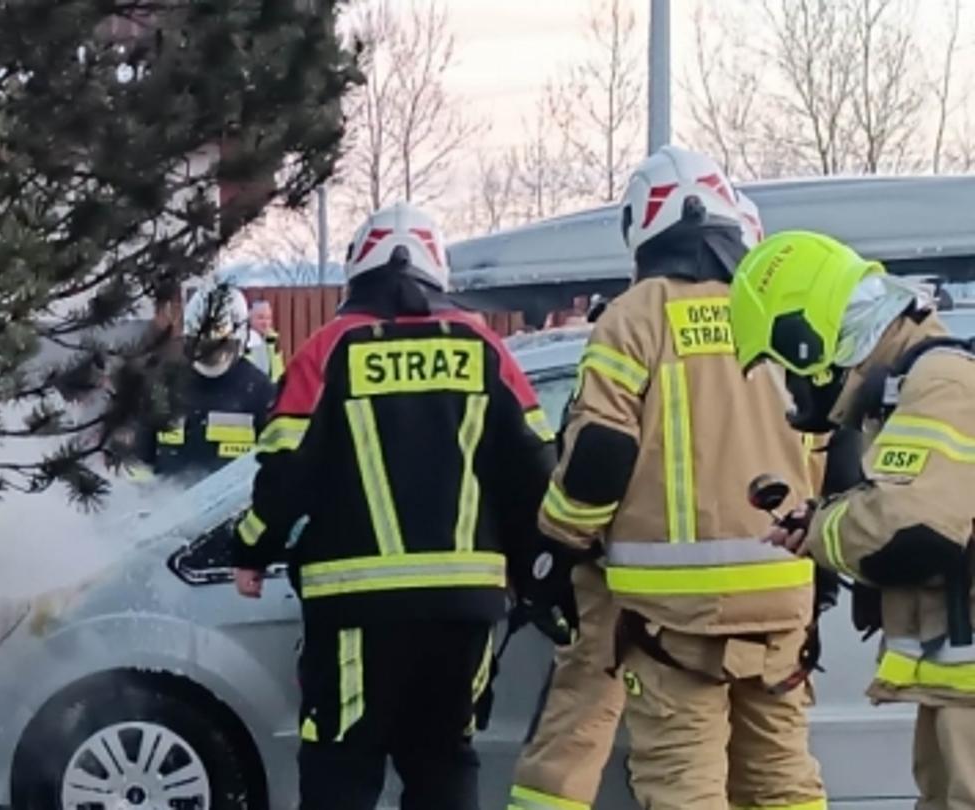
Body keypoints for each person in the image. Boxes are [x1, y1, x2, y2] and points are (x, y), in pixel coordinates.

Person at [233, 202, 556, 810]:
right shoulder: (485, 349)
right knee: (444, 761)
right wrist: (536, 570)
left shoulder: (328, 350)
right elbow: (535, 469)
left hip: (356, 610)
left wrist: (250, 549)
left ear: (357, 270)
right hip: (465, 609)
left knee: (341, 766)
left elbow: (284, 473)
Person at [531, 145, 824, 810]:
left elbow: (600, 454)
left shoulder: (634, 317)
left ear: (642, 227)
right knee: (782, 778)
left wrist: (559, 543)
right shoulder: (779, 310)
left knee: (683, 783)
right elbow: (828, 442)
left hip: (675, 613)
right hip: (782, 594)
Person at [733, 230, 975, 810]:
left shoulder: (938, 382)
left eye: (783, 367)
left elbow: (912, 529)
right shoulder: (912, 383)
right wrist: (830, 519)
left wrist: (825, 529)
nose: (792, 390)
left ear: (809, 340)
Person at [136, 283, 276, 483]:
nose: (211, 354)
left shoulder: (260, 391)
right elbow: (141, 461)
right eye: (202, 345)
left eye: (220, 345)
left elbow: (273, 467)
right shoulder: (164, 386)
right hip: (168, 500)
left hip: (234, 503)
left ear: (240, 337)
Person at [245, 298, 286, 382]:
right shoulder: (242, 342)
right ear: (250, 318)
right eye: (261, 318)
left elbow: (278, 372)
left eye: (268, 318)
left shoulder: (273, 341)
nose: (266, 323)